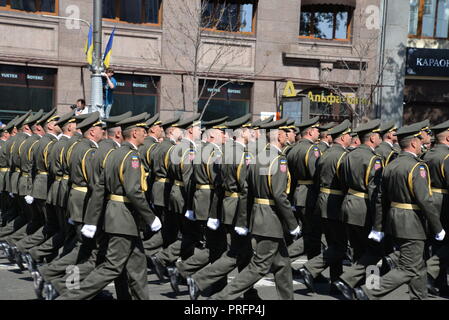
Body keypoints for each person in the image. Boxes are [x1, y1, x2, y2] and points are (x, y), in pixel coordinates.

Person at [57, 112, 162, 300]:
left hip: (116, 217)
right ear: (136, 133)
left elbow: (99, 189)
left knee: (137, 268)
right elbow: (134, 192)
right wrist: (151, 217)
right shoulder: (132, 157)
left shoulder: (113, 154)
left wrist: (92, 219)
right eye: (144, 131)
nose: (146, 134)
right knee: (111, 267)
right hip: (124, 219)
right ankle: (69, 297)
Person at [354, 122, 445, 300]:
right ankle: (368, 291)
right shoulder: (417, 167)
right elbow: (425, 201)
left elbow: (380, 199)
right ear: (413, 143)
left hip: (394, 220)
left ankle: (419, 297)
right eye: (419, 141)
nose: (422, 144)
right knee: (408, 268)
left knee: (417, 265)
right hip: (412, 222)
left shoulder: (390, 166)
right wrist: (438, 228)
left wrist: (379, 226)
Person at [212, 118, 300, 300]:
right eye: (288, 132)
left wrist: (244, 220)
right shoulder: (278, 159)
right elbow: (279, 195)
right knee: (259, 266)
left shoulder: (258, 158)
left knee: (282, 264)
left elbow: (248, 192)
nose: (292, 135)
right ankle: (221, 297)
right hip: (271, 220)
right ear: (280, 135)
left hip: (259, 216)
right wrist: (292, 224)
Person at [298, 120, 352, 294]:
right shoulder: (343, 156)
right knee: (340, 246)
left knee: (333, 244)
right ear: (343, 137)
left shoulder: (325, 153)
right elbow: (345, 182)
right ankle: (310, 268)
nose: (351, 138)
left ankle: (336, 282)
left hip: (322, 201)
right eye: (349, 135)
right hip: (335, 203)